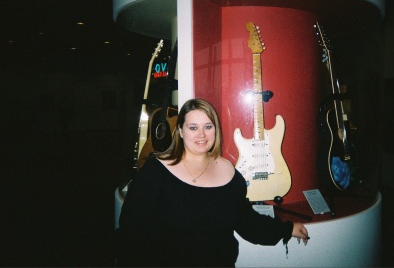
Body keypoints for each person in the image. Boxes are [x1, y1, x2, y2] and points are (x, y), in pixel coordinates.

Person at [116, 98, 309, 267]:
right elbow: (131, 235)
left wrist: (287, 228)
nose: (201, 134)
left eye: (208, 127)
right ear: (180, 131)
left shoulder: (229, 172)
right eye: (193, 128)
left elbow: (246, 221)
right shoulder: (155, 172)